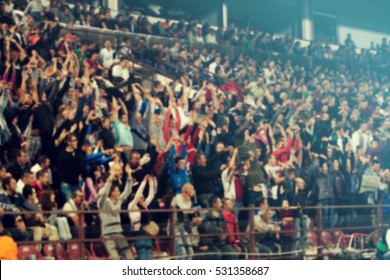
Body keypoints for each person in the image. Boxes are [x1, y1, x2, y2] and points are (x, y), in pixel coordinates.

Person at [98, 164, 134, 260]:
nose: (119, 193)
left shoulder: (118, 201)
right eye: (117, 191)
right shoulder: (102, 203)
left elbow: (127, 191)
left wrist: (129, 175)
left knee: (128, 255)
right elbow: (104, 192)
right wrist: (111, 176)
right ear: (112, 193)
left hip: (118, 231)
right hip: (107, 233)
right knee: (115, 258)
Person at [199, 196, 239, 260]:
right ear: (214, 204)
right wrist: (220, 232)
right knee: (217, 255)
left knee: (232, 253)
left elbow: (225, 227)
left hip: (221, 242)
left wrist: (225, 234)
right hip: (210, 243)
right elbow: (207, 228)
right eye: (220, 202)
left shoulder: (221, 215)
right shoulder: (206, 215)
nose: (221, 204)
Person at [128, 175, 156, 260]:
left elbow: (151, 196)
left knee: (147, 259)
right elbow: (137, 196)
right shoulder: (132, 206)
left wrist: (151, 182)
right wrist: (143, 182)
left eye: (143, 197)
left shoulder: (144, 206)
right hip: (138, 235)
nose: (142, 199)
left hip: (147, 234)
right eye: (141, 197)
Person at [170, 183, 196, 260]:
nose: (193, 192)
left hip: (183, 227)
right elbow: (184, 210)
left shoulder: (189, 201)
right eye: (191, 190)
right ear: (186, 191)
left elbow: (189, 211)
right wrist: (194, 210)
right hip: (174, 227)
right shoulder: (177, 198)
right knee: (182, 252)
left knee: (190, 252)